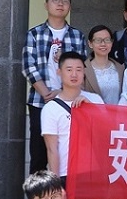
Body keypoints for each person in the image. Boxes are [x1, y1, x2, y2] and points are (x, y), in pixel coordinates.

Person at [22, 0, 87, 175]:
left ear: (70, 7)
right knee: (39, 154)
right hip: (40, 101)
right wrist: (47, 94)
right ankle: (39, 194)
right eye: (55, 0)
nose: (60, 4)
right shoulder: (34, 34)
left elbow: (82, 67)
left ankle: (66, 191)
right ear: (46, 5)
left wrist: (63, 93)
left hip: (70, 102)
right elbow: (28, 66)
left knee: (69, 152)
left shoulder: (77, 36)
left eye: (65, 1)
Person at [41, 50, 104, 179]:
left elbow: (107, 132)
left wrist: (92, 108)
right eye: (69, 70)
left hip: (94, 172)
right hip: (66, 173)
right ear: (59, 72)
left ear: (84, 72)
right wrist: (56, 183)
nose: (74, 74)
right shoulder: (50, 108)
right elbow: (52, 149)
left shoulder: (96, 100)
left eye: (79, 70)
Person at [83, 24, 124, 105]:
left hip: (117, 112)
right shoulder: (83, 69)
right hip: (93, 112)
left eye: (107, 40)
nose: (103, 44)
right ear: (90, 43)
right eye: (98, 40)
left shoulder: (120, 68)